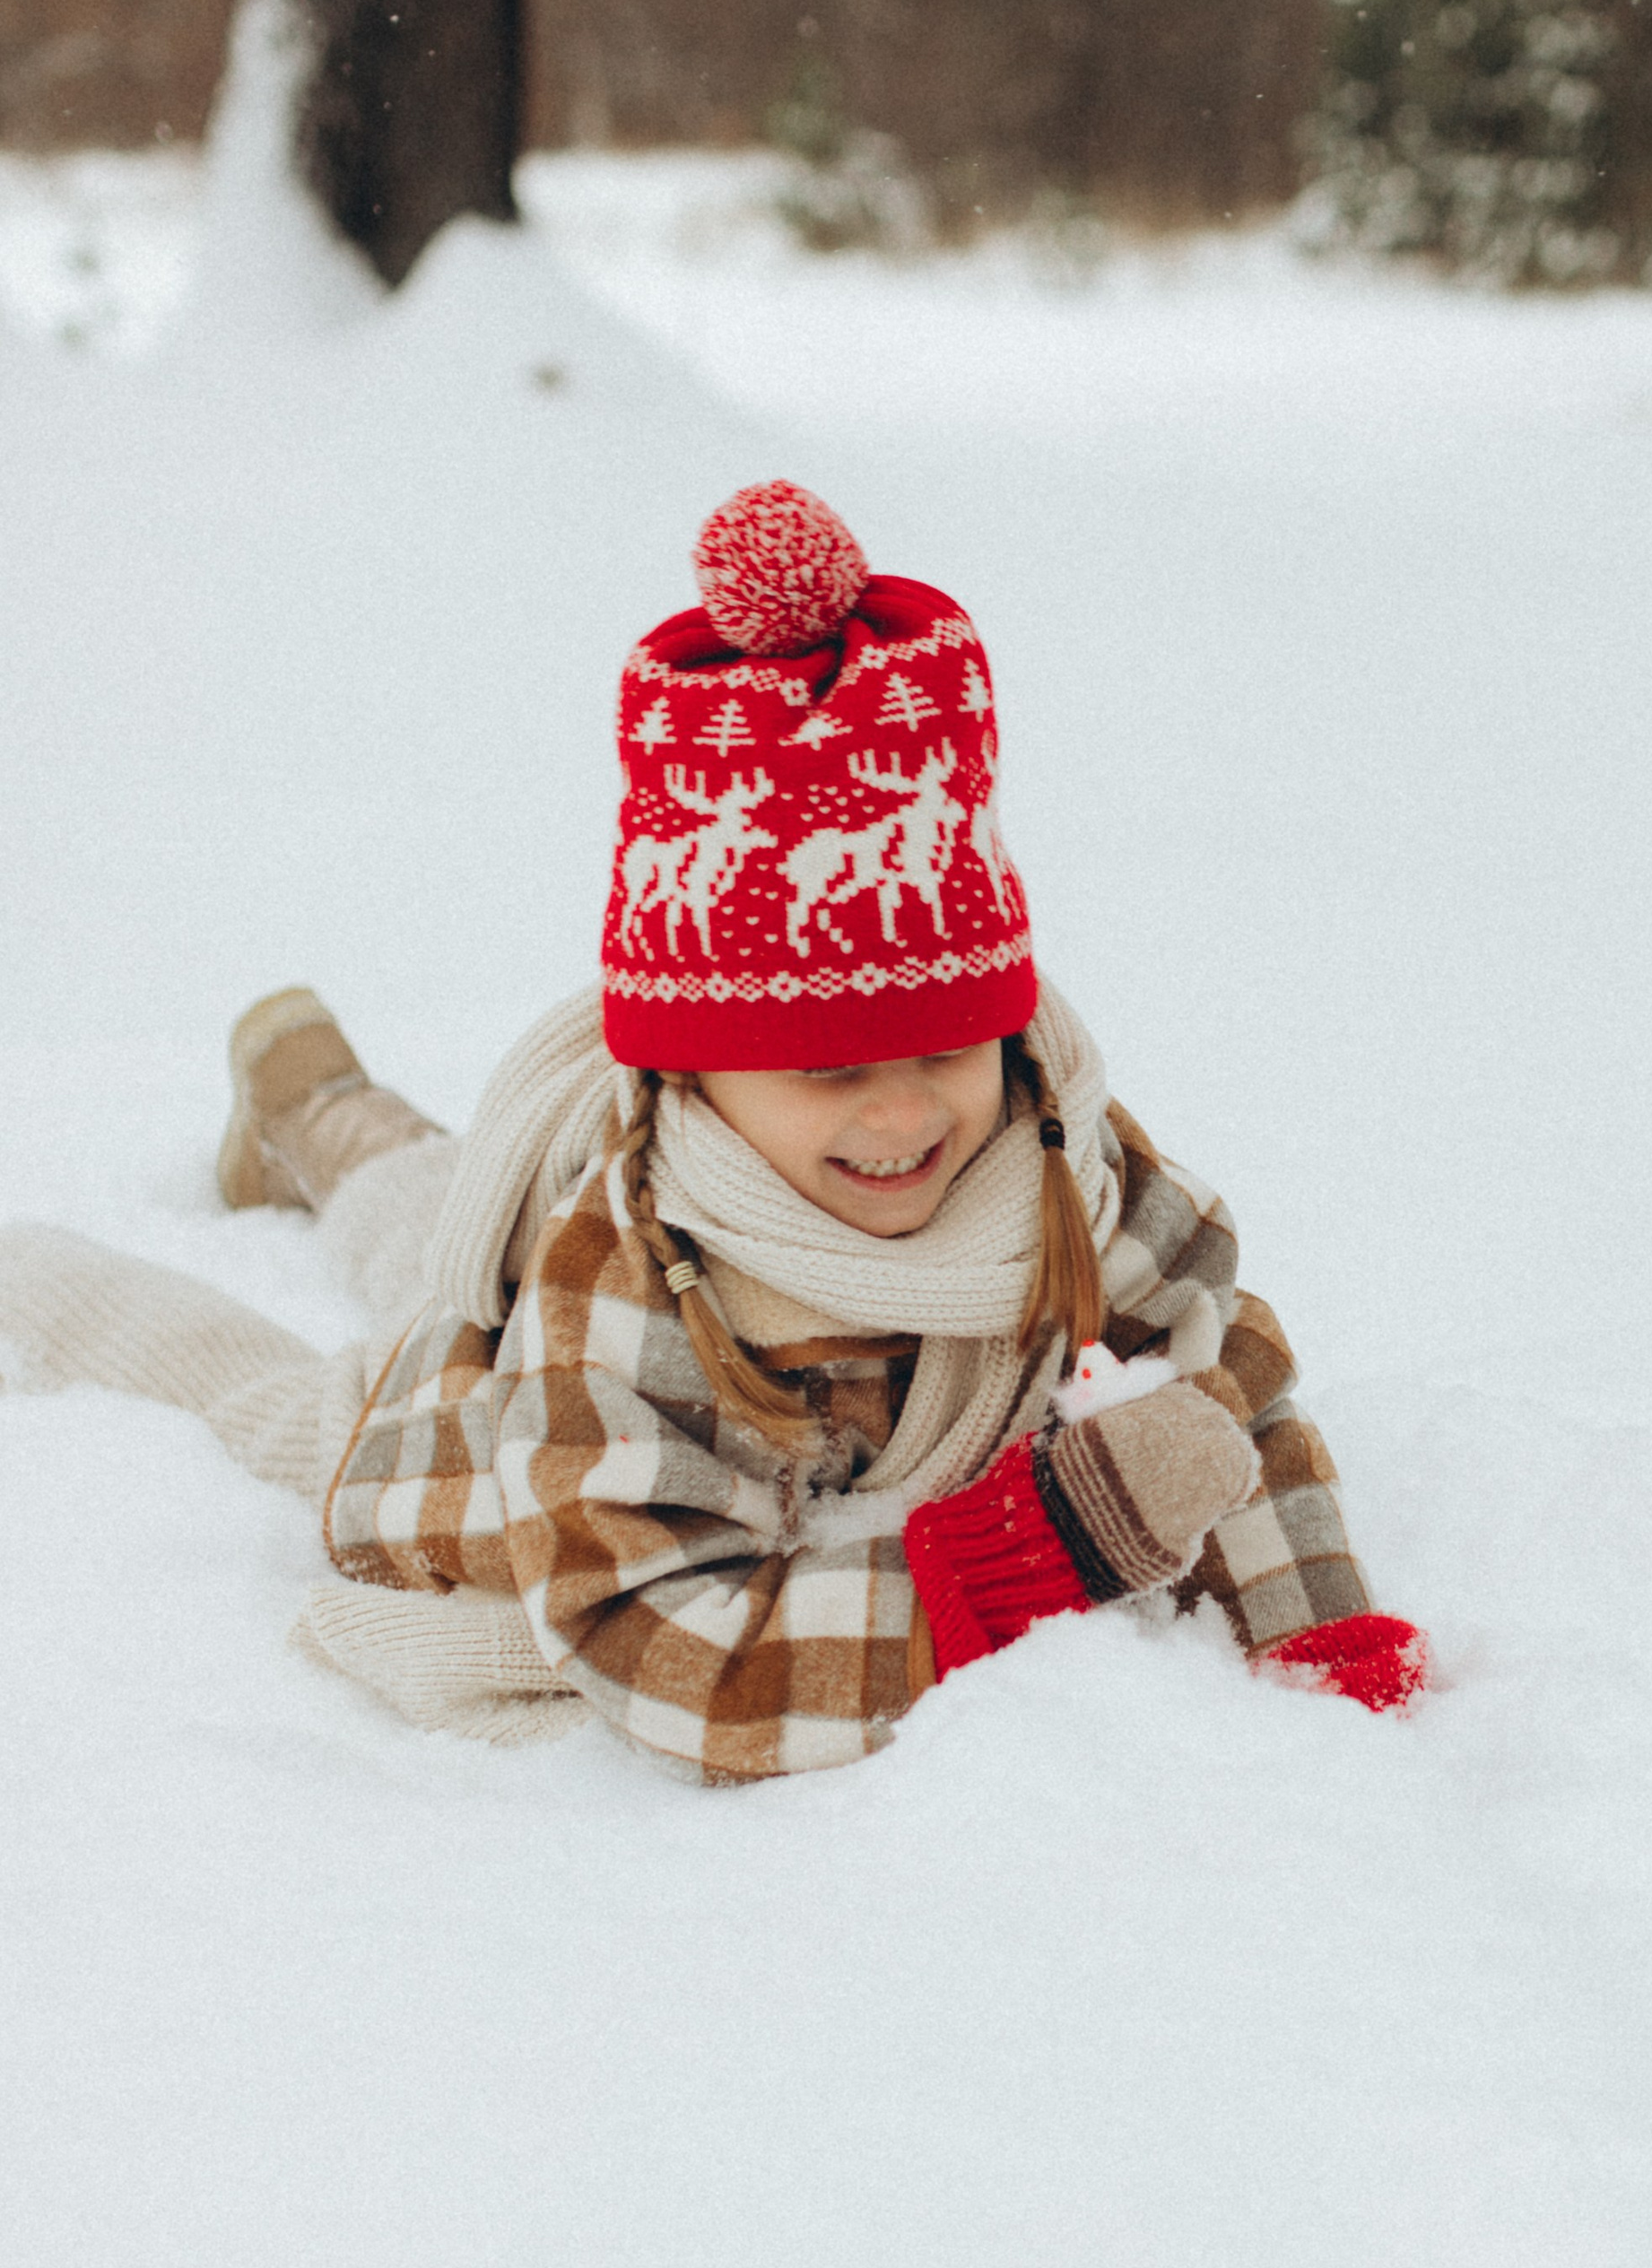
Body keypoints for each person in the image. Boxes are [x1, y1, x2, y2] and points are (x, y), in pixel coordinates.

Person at [0, 482, 1425, 1781]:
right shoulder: (626, 1280)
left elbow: (1224, 1404)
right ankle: (152, 1210)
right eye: (822, 1072)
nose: (900, 1111)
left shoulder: (1076, 1176)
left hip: (624, 1365)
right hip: (499, 1449)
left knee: (436, 1214)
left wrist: (1312, 1635)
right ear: (693, 1087)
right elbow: (668, 1641)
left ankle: (312, 1103)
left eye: (943, 1046)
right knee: (320, 1356)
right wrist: (1018, 1566)